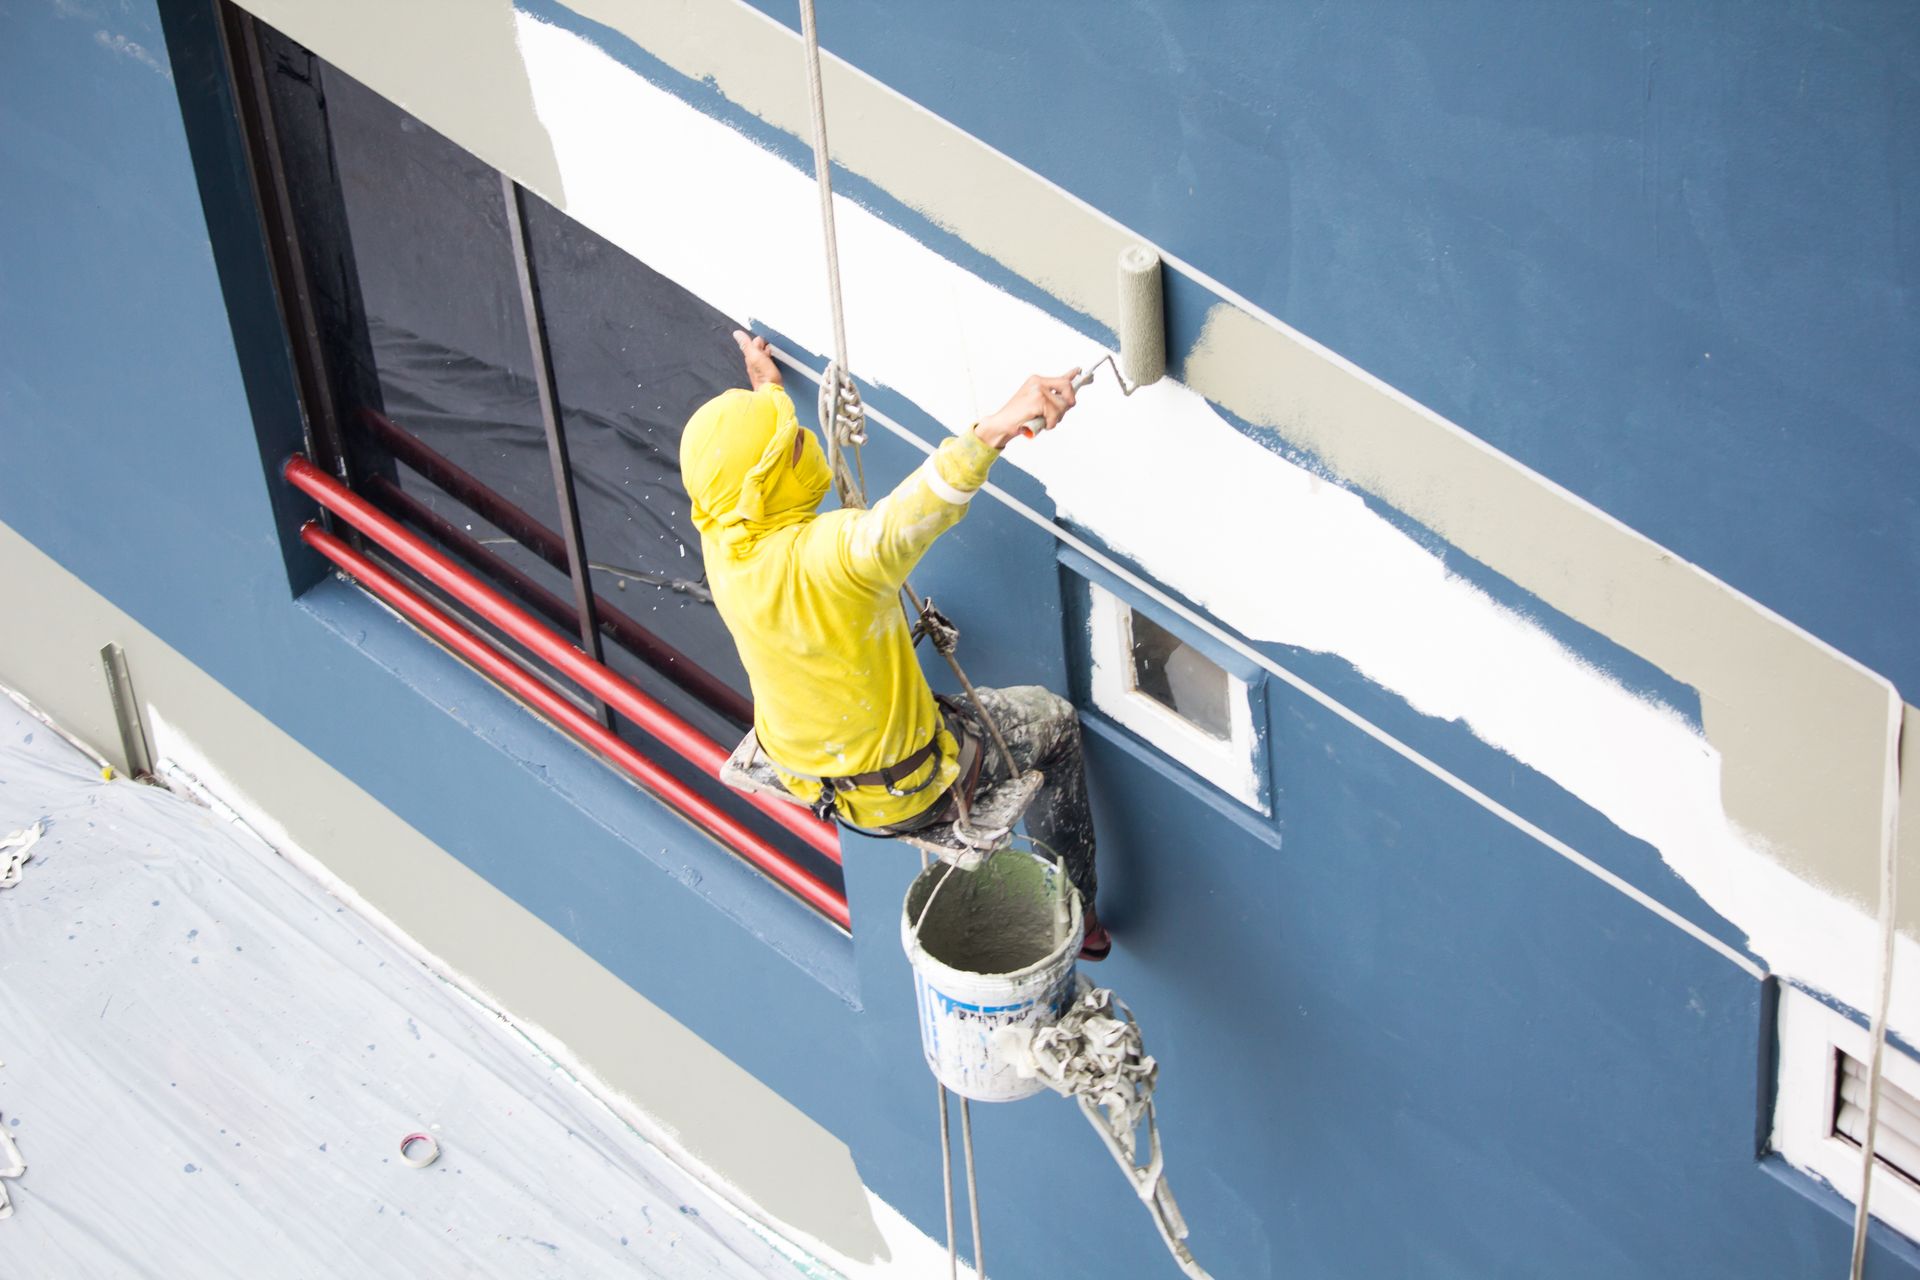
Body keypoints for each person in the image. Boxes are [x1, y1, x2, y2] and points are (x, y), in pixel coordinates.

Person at [680, 330, 1109, 960]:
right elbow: (922, 504)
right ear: (768, 484)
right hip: (907, 793)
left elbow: (747, 463)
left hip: (817, 776)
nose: (803, 439)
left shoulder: (721, 534)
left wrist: (766, 385)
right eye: (793, 441)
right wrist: (999, 423)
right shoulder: (834, 559)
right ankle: (1085, 912)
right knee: (1056, 721)